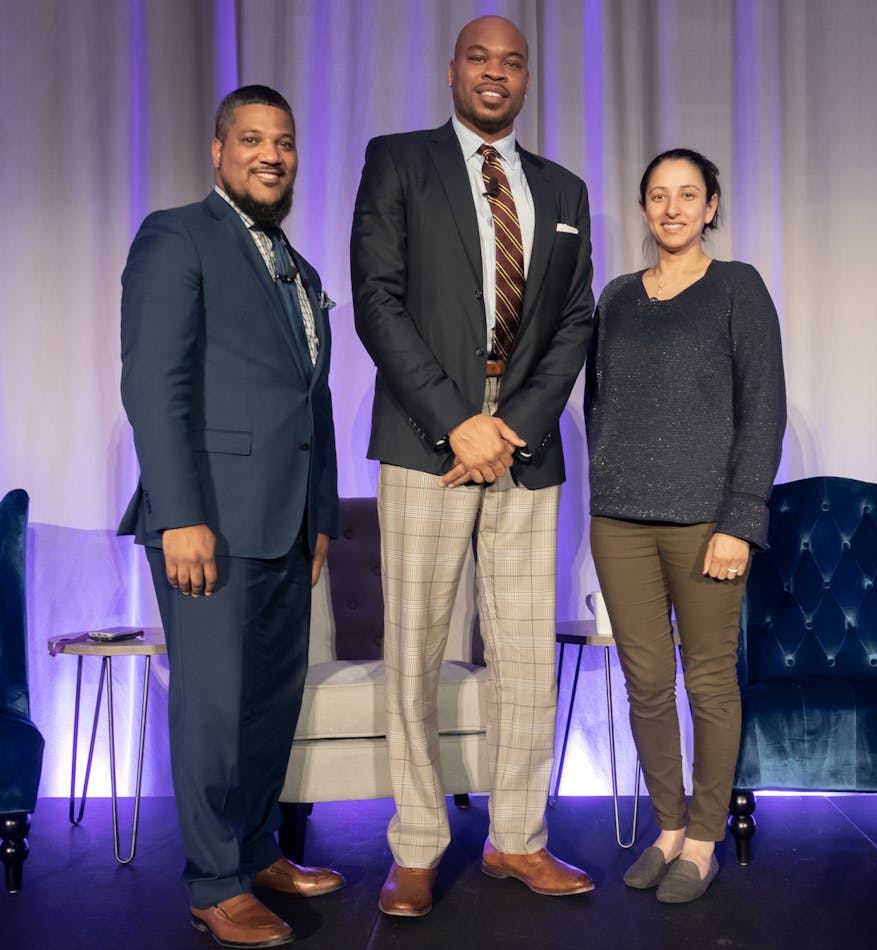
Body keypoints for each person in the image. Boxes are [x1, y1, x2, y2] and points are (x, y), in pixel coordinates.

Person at [351, 14, 596, 917]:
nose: (496, 74)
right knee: (414, 646)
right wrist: (457, 420)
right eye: (480, 58)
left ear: (527, 79)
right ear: (453, 70)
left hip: (526, 451)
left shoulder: (563, 187)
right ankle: (416, 846)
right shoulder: (398, 161)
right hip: (427, 438)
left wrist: (514, 424)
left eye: (513, 62)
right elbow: (376, 300)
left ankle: (518, 840)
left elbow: (575, 323)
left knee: (529, 654)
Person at [119, 84, 342, 949]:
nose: (271, 155)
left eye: (283, 142)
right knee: (213, 710)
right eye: (251, 139)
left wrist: (320, 512)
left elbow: (309, 401)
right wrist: (179, 513)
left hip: (286, 525)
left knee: (266, 707)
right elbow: (154, 384)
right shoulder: (177, 236)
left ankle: (254, 851)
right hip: (206, 520)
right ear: (219, 151)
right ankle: (214, 883)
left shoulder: (297, 266)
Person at [585, 148, 786, 904]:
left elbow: (763, 411)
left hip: (707, 522)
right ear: (644, 208)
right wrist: (606, 482)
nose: (672, 208)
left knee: (706, 679)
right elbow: (598, 401)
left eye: (688, 195)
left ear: (711, 206)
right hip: (620, 521)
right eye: (658, 196)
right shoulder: (616, 297)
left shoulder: (737, 289)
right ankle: (666, 827)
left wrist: (740, 520)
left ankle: (703, 839)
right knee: (644, 683)